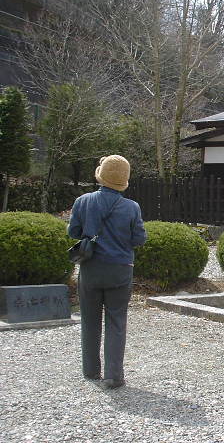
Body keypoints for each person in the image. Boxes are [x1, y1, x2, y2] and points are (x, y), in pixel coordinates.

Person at [68, 155, 147, 389]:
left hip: (91, 268)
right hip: (120, 269)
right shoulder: (132, 207)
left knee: (90, 320)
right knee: (116, 321)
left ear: (101, 176)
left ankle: (91, 370)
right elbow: (139, 239)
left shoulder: (83, 201)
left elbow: (73, 232)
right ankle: (113, 376)